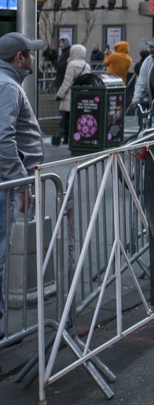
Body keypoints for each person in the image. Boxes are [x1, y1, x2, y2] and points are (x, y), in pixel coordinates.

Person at [0, 32, 45, 331]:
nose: (32, 58)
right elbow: (3, 138)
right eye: (30, 53)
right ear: (19, 58)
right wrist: (20, 184)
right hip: (5, 186)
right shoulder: (8, 88)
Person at [54, 43, 90, 145]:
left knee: (67, 118)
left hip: (69, 94)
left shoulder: (71, 64)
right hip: (81, 95)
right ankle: (76, 137)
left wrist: (60, 95)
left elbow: (67, 82)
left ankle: (66, 137)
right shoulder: (86, 66)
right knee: (78, 118)